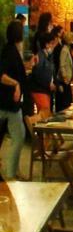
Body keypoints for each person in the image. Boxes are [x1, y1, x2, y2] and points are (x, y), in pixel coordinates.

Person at [0, 20, 29, 179]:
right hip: (6, 103)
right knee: (19, 137)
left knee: (19, 136)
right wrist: (16, 84)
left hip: (12, 105)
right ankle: (11, 173)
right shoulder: (9, 51)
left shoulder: (13, 51)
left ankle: (13, 172)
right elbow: (2, 75)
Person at [29, 32, 57, 118]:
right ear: (47, 44)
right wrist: (49, 84)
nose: (54, 46)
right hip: (40, 90)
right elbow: (38, 74)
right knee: (45, 115)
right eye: (52, 43)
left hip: (45, 90)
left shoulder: (48, 56)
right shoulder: (40, 56)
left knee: (46, 114)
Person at [55, 31, 73, 113]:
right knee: (65, 101)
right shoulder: (64, 50)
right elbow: (62, 64)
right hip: (64, 81)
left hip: (68, 80)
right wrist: (64, 77)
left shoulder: (69, 49)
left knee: (68, 100)